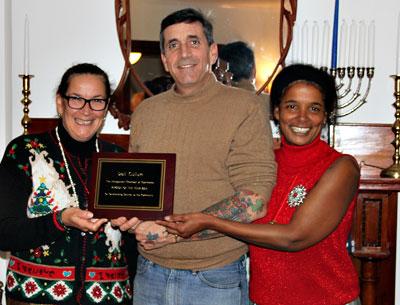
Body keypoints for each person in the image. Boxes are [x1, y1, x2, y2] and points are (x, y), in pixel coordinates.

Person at [112, 7, 276, 305]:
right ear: (164, 59)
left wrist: (172, 233)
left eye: (194, 42)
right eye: (173, 45)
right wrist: (130, 219)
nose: (184, 53)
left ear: (213, 52)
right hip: (148, 273)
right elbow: (136, 191)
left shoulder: (245, 107)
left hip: (214, 277)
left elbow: (254, 201)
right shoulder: (146, 112)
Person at [160, 64, 361, 305]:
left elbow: (294, 237)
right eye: (292, 106)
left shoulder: (341, 168)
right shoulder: (263, 163)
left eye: (314, 108)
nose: (302, 118)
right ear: (276, 111)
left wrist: (210, 221)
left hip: (328, 299)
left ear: (326, 115)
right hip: (262, 300)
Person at [0, 63, 138, 305]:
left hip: (109, 298)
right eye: (76, 99)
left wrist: (133, 226)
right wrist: (59, 219)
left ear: (106, 108)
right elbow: (3, 232)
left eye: (97, 101)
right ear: (60, 102)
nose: (86, 111)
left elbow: (132, 248)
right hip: (35, 299)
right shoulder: (24, 151)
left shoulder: (119, 158)